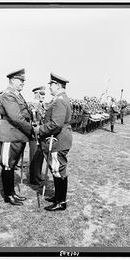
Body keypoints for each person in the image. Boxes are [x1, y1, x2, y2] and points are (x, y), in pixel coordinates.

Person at [33, 72, 73, 211]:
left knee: (58, 170)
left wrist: (39, 130)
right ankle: (57, 197)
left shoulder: (59, 100)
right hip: (58, 139)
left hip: (57, 140)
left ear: (57, 85)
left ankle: (61, 202)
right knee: (56, 169)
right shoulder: (61, 98)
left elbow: (56, 124)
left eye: (51, 85)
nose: (49, 87)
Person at [0, 68, 33, 206]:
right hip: (9, 134)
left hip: (16, 134)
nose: (23, 83)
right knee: (7, 165)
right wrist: (31, 130)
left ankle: (12, 193)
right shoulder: (8, 95)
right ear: (12, 80)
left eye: (24, 80)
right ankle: (8, 195)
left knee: (11, 165)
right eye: (21, 80)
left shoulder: (16, 94)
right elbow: (16, 117)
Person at [28, 86, 46, 185]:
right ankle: (33, 177)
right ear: (36, 94)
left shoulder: (42, 105)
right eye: (41, 94)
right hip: (34, 134)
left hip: (41, 132)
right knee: (34, 155)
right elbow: (33, 121)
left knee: (40, 155)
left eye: (44, 94)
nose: (43, 96)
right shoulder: (33, 106)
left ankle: (38, 173)